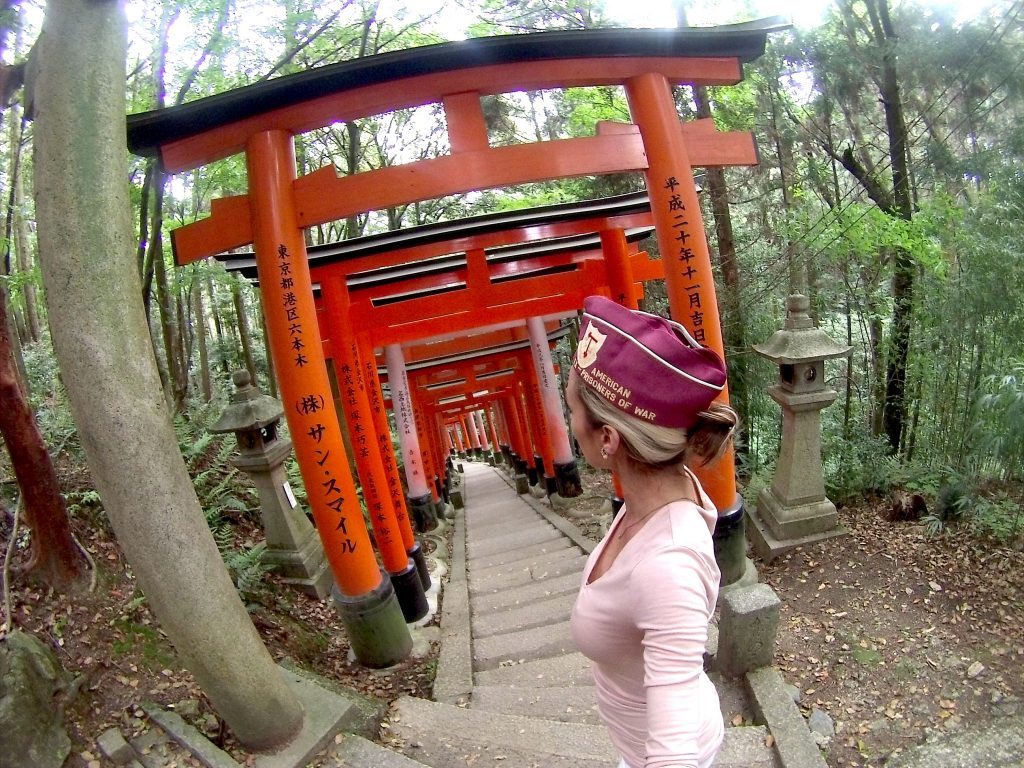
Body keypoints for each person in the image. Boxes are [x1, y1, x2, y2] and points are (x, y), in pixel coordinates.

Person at [568, 295, 737, 768]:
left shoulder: (668, 566)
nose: (570, 425)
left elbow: (674, 753)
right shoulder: (656, 492)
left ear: (608, 439)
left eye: (573, 409)